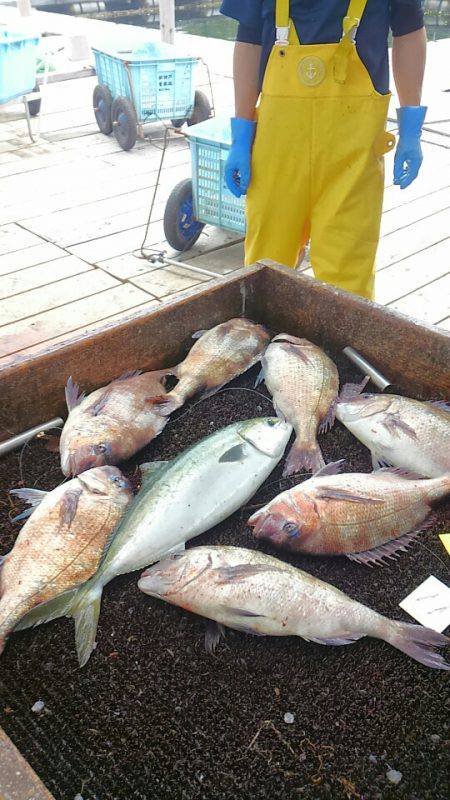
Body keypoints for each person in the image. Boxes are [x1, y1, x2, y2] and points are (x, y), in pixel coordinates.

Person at [221, 0, 427, 299]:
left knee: (348, 282)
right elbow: (249, 38)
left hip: (352, 155)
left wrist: (411, 125)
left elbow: (409, 30)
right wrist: (241, 134)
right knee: (265, 272)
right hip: (277, 152)